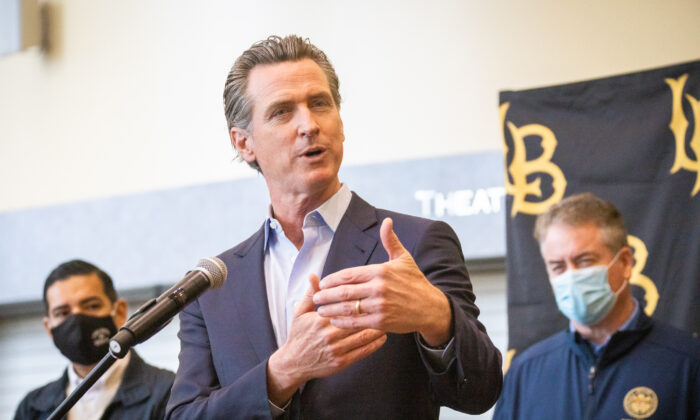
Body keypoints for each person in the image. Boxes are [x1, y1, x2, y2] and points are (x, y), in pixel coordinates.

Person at [165, 35, 502, 419]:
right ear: (244, 143)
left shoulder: (416, 242)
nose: (309, 124)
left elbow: (481, 392)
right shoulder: (211, 290)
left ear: (340, 123)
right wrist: (283, 372)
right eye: (282, 112)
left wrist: (437, 317)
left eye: (320, 104)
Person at [493, 193, 700, 419]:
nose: (571, 276)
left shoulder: (688, 364)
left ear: (625, 262)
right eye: (558, 266)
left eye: (584, 260)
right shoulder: (524, 373)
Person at [14, 259, 175, 420]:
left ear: (119, 312)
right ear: (49, 328)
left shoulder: (171, 392)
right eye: (62, 313)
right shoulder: (32, 408)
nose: (77, 320)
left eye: (92, 306)